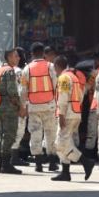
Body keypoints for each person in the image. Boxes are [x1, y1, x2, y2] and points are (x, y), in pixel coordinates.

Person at [51, 59, 95, 181]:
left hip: (67, 114)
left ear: (56, 66)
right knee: (65, 142)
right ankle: (65, 172)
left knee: (60, 143)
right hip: (75, 113)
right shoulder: (74, 77)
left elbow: (63, 97)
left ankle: (86, 162)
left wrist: (61, 114)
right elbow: (81, 96)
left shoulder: (64, 77)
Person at [24, 43, 59, 172]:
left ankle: (38, 163)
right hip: (49, 105)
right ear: (43, 53)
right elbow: (56, 84)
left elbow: (23, 90)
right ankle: (52, 162)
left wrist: (24, 106)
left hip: (33, 106)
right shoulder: (50, 66)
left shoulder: (27, 69)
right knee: (50, 133)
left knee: (35, 133)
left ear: (32, 54)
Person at [0, 48, 26, 174]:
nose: (18, 58)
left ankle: (2, 164)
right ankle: (6, 164)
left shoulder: (0, 70)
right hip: (9, 108)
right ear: (9, 58)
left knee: (3, 135)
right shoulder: (10, 71)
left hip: (0, 107)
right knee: (9, 135)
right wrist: (20, 107)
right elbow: (12, 92)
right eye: (16, 56)